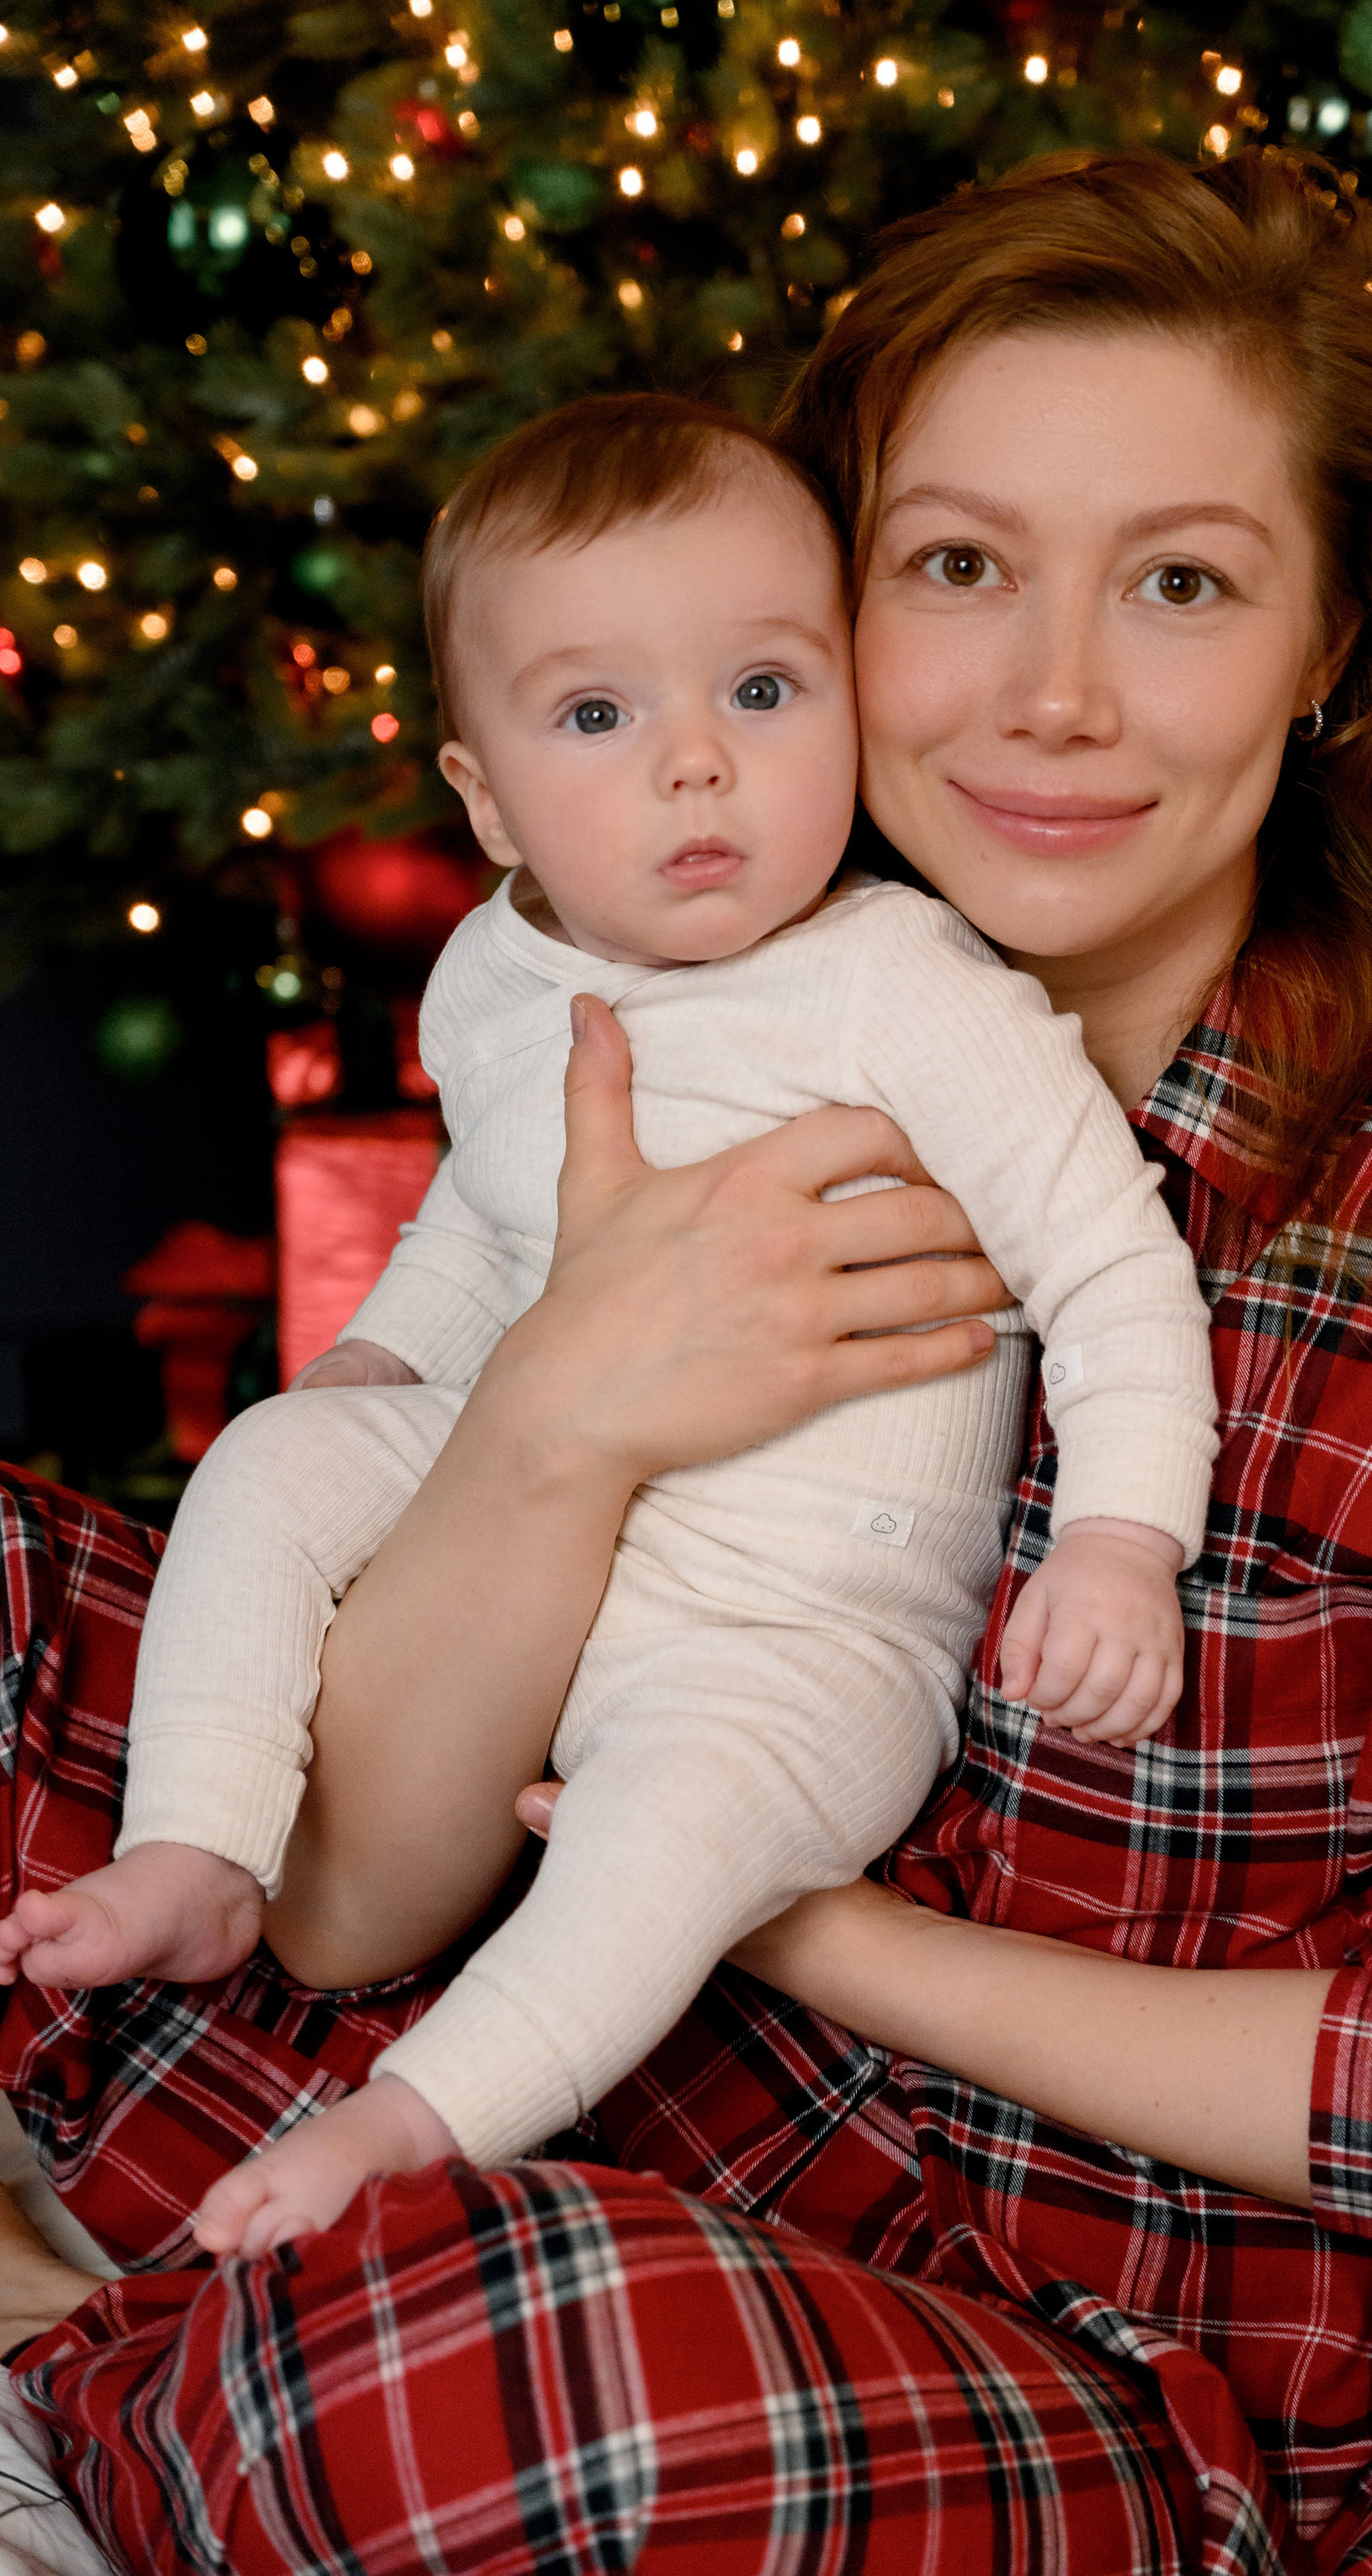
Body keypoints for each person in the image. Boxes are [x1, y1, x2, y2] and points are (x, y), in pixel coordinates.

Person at [0, 144, 1372, 2576]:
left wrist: (795, 1914)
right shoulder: (670, 1002)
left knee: (465, 2401)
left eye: (1185, 583)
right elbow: (347, 1915)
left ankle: (110, 2360)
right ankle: (176, 2365)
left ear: (1327, 644)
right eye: (959, 568)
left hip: (1108, 2346)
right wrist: (560, 1406)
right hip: (615, 2091)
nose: (1055, 696)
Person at [0, 391, 1215, 2256]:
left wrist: (1128, 1538)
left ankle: (412, 2122)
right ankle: (201, 1845)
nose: (696, 769)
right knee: (268, 1458)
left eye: (763, 691)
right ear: (486, 797)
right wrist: (375, 1379)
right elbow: (472, 1222)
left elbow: (1112, 1261)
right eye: (596, 717)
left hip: (800, 1620)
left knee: (675, 1829)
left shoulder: (903, 985)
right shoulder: (494, 976)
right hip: (543, 1505)